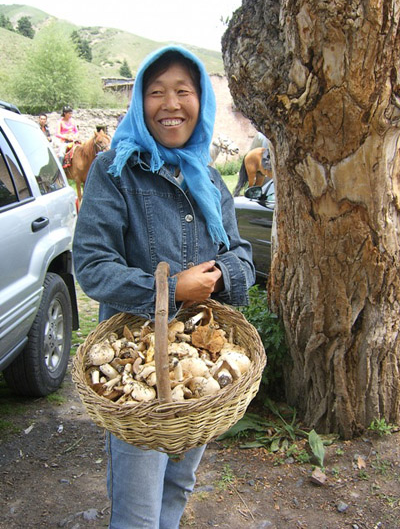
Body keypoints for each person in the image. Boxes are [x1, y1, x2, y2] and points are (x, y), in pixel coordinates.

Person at [72, 45, 255, 529]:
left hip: (198, 367)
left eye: (183, 91)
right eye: (156, 92)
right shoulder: (114, 172)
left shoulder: (210, 180)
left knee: (179, 484)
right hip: (139, 369)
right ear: (139, 102)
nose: (170, 104)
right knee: (137, 504)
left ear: (202, 102)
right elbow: (91, 266)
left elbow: (239, 254)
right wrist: (173, 288)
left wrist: (218, 279)